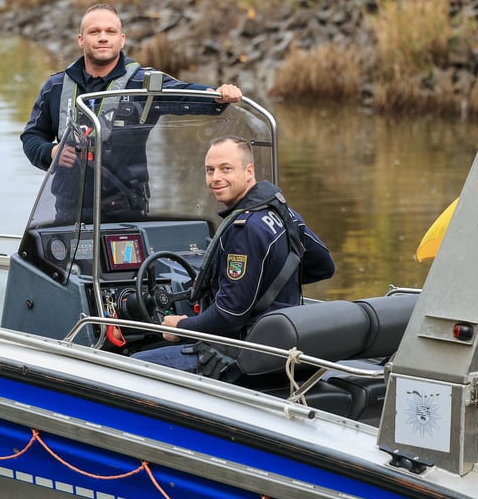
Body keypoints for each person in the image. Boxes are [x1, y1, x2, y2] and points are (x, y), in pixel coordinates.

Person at [132, 135, 335, 376]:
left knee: (131, 365)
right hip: (280, 346)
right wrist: (262, 282)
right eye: (210, 170)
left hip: (238, 354)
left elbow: (230, 316)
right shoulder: (282, 212)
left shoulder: (245, 228)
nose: (215, 178)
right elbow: (324, 266)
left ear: (249, 171)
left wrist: (182, 326)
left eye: (226, 169)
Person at [20, 3, 243, 173]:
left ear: (122, 39)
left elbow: (184, 95)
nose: (103, 38)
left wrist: (217, 95)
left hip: (126, 207)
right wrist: (50, 152)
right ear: (81, 40)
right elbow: (32, 137)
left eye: (111, 31)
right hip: (67, 207)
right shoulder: (55, 87)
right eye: (94, 32)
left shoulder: (143, 83)